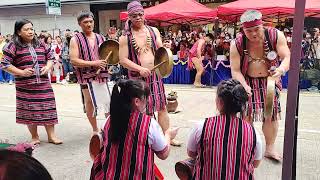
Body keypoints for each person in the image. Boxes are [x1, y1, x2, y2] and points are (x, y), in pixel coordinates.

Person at [230, 10, 290, 162]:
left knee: (270, 115)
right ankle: (247, 148)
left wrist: (281, 70)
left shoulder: (275, 35)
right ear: (243, 30)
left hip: (270, 80)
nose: (254, 34)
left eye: (256, 29)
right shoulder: (237, 43)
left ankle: (270, 148)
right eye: (249, 31)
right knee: (246, 115)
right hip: (247, 80)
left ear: (262, 25)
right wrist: (243, 85)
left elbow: (287, 56)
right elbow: (235, 71)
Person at [119, 1, 180, 146]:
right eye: (134, 15)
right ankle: (144, 138)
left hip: (155, 76)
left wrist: (165, 48)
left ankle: (168, 137)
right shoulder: (124, 37)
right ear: (129, 17)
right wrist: (139, 69)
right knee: (141, 109)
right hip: (136, 79)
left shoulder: (153, 31)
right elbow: (122, 60)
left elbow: (160, 50)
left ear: (144, 15)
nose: (138, 17)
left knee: (162, 106)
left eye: (140, 14)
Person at [90, 79, 177, 179]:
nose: (148, 102)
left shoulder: (109, 120)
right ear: (137, 101)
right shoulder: (149, 124)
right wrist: (168, 135)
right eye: (146, 98)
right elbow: (163, 154)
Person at [0, 19, 62, 145]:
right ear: (18, 32)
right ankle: (34, 136)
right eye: (26, 29)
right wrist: (21, 72)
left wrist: (48, 67)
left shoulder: (40, 43)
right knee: (30, 111)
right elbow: (5, 64)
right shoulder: (12, 46)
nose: (30, 32)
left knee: (48, 108)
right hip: (25, 86)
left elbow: (50, 57)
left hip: (44, 83)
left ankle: (51, 135)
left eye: (31, 29)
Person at [186, 79, 262, 179]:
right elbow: (255, 163)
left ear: (220, 102)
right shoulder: (253, 133)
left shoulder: (201, 126)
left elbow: (191, 153)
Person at [70, 10, 110, 134]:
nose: (89, 24)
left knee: (107, 102)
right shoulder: (75, 39)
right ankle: (95, 129)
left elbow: (107, 55)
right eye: (85, 22)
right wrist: (94, 63)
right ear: (79, 24)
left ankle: (109, 128)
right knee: (89, 102)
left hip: (102, 75)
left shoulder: (101, 37)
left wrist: (108, 62)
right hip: (85, 76)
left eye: (91, 21)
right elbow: (74, 60)